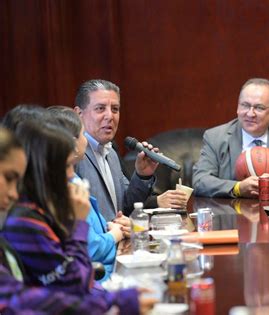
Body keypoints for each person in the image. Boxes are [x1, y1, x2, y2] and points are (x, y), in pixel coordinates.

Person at [0, 125, 155, 314]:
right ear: (43, 169)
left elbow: (31, 298)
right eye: (66, 166)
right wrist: (77, 224)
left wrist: (112, 300)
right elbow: (75, 284)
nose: (72, 175)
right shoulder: (23, 222)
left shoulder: (36, 213)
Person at [74, 79, 187, 221]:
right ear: (79, 114)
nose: (110, 116)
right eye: (100, 108)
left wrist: (142, 176)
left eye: (115, 109)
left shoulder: (111, 152)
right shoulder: (74, 155)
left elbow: (127, 206)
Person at [48, 106, 129, 281]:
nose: (86, 140)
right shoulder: (64, 190)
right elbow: (91, 249)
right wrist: (115, 234)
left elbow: (93, 227)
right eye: (83, 134)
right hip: (100, 280)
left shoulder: (73, 178)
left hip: (110, 266)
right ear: (71, 143)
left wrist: (115, 225)